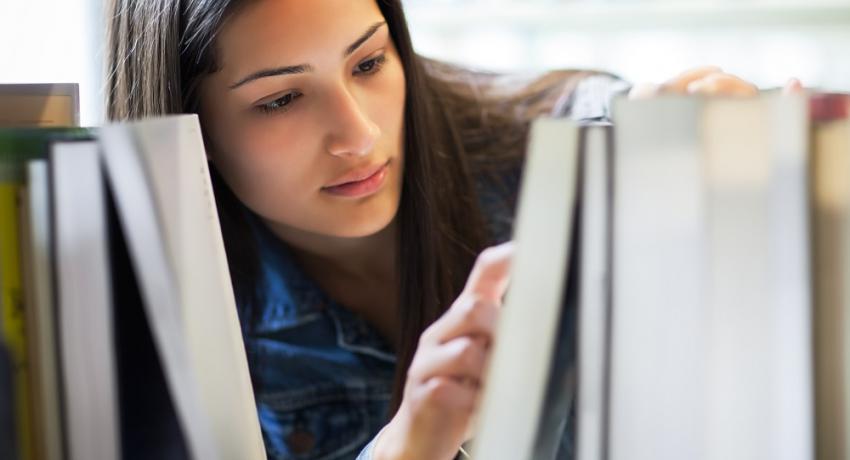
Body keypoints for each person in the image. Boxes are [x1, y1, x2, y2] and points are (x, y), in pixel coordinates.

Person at [105, 1, 795, 458]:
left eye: (369, 62)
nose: (359, 133)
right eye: (281, 99)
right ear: (185, 124)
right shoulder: (151, 317)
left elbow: (602, 112)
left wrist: (670, 118)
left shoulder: (536, 156)